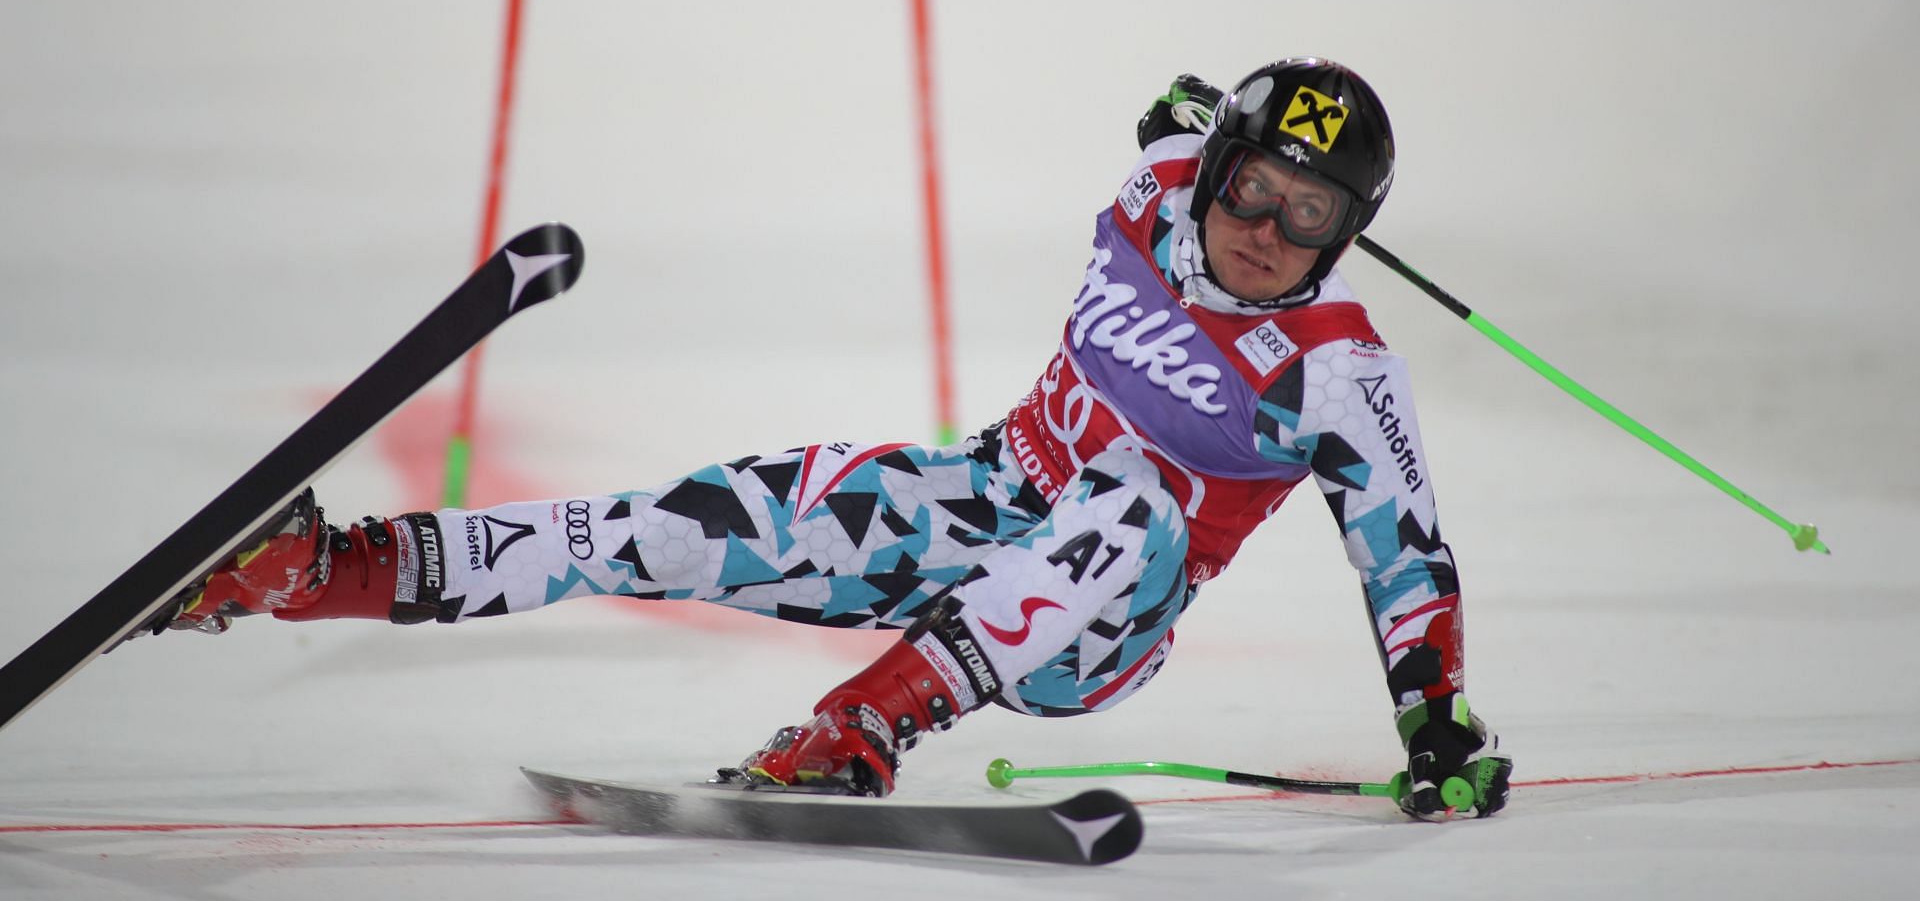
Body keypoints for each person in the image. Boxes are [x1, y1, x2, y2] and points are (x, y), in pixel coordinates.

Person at [152, 58, 1511, 821]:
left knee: (1133, 505)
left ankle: (862, 728)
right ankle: (316, 573)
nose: (1263, 230)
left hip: (1100, 617)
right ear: (1214, 168)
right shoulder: (1158, 187)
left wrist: (1435, 718)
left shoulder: (1336, 371)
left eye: (1309, 216)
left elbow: (1410, 553)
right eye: (1253, 186)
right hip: (981, 498)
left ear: (1347, 238)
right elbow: (1161, 130)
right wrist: (1178, 117)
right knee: (693, 520)